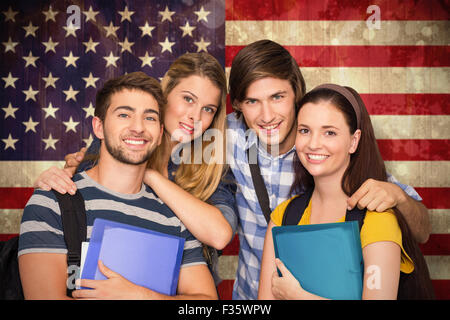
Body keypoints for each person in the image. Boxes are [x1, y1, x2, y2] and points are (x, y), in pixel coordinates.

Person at [226, 40, 431, 300]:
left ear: (296, 94)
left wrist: (399, 197)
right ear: (239, 106)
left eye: (277, 97)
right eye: (253, 101)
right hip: (248, 293)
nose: (266, 116)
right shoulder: (227, 135)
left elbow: (422, 230)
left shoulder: (333, 144)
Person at [32, 53, 238, 286]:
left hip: (180, 286)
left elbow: (219, 235)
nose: (195, 116)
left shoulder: (212, 168)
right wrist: (54, 179)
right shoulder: (124, 139)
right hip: (105, 278)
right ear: (165, 95)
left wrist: (149, 176)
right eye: (188, 99)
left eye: (208, 109)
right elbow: (82, 199)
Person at [258, 84, 434, 299]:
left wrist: (299, 296)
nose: (313, 144)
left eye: (329, 132)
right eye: (304, 131)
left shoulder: (378, 218)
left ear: (354, 141)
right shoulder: (283, 216)